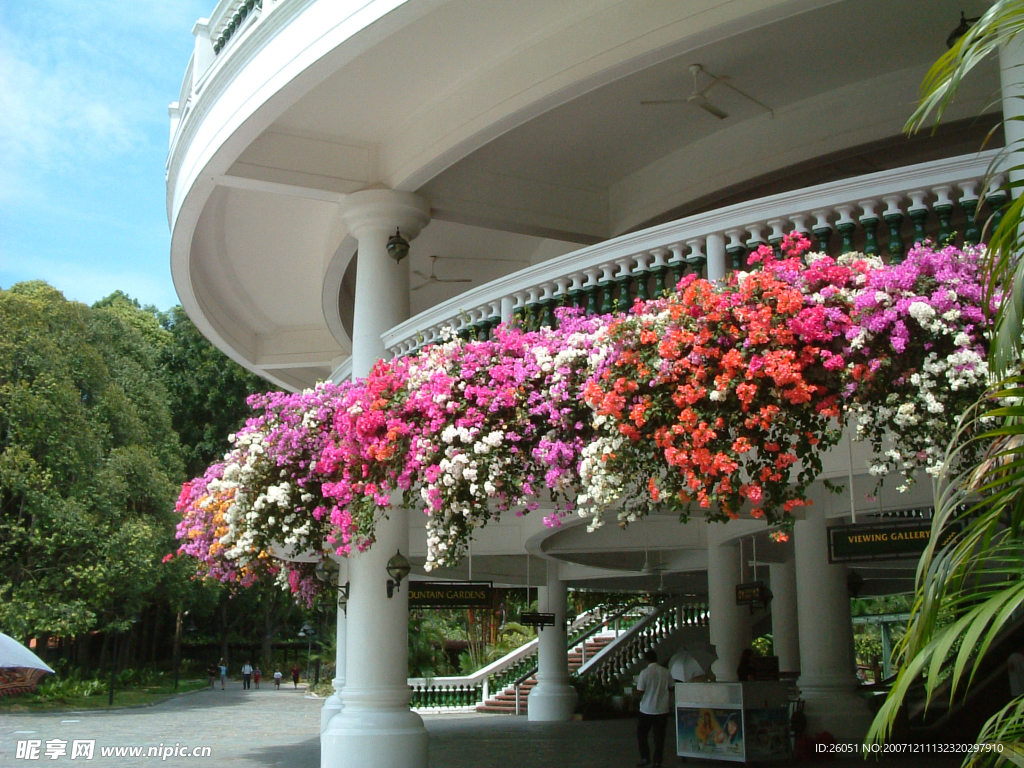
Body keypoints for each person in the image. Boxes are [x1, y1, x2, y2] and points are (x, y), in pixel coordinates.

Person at [636, 649, 675, 768]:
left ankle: (645, 757)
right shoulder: (666, 671)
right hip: (662, 709)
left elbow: (640, 690)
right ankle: (657, 760)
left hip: (647, 709)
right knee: (659, 737)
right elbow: (671, 687)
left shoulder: (644, 673)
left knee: (642, 734)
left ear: (646, 660)